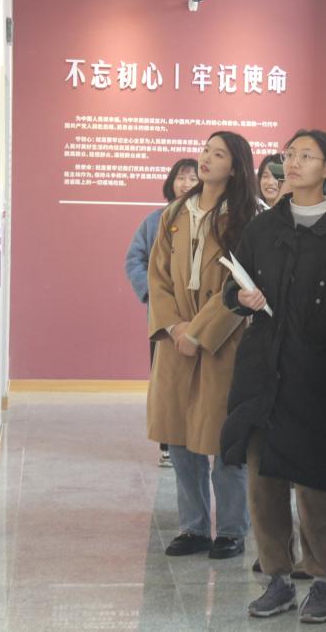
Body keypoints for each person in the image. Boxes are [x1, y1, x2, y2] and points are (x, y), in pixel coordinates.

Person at [220, 129, 326, 624]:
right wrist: (241, 296)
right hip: (262, 367)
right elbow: (230, 287)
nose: (293, 163)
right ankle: (276, 577)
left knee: (313, 479)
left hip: (316, 368)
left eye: (306, 156)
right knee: (263, 479)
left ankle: (321, 579)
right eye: (288, 154)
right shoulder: (264, 226)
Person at [146, 131, 258, 560]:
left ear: (236, 167)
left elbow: (240, 283)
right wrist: (175, 327)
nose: (206, 159)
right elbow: (158, 276)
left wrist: (200, 332)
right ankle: (192, 527)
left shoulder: (247, 216)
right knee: (179, 438)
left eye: (218, 154)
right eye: (205, 150)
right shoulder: (175, 212)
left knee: (223, 439)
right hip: (176, 343)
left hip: (223, 341)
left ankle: (231, 529)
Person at [125, 159, 199, 466]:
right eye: (181, 177)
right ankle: (167, 444)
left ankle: (197, 437)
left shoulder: (209, 219)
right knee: (166, 382)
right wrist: (154, 296)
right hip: (163, 318)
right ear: (171, 182)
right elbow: (134, 260)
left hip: (199, 316)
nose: (186, 184)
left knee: (200, 382)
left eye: (193, 178)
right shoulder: (154, 220)